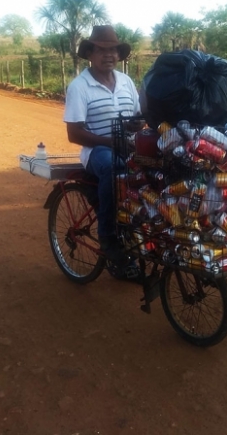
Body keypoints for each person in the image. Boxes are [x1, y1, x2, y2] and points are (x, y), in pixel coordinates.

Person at [63, 25, 141, 279]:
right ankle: (108, 238)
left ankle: (141, 236)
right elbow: (74, 134)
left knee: (158, 172)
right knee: (112, 167)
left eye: (113, 50)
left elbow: (138, 118)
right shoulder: (80, 86)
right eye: (102, 50)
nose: (109, 55)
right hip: (97, 151)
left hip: (127, 148)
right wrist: (111, 141)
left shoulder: (127, 82)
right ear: (90, 54)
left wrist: (136, 125)